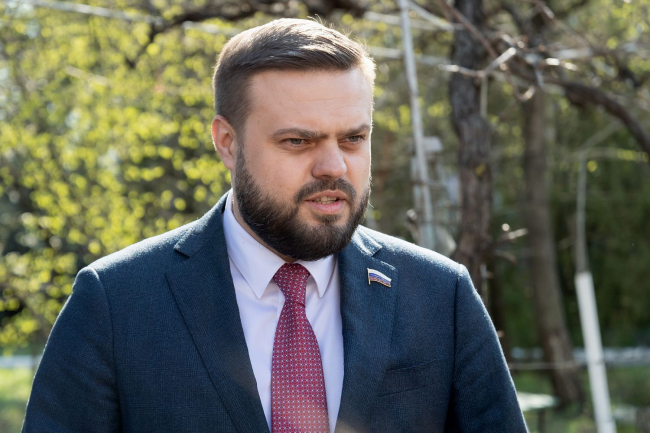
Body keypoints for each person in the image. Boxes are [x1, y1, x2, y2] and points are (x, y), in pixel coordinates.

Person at [22, 18, 527, 432]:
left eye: (353, 139)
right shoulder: (115, 303)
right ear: (227, 143)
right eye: (298, 142)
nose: (333, 166)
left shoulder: (440, 296)